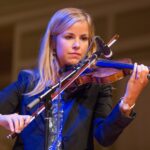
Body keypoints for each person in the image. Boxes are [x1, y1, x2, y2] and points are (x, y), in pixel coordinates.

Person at [0, 7, 149, 150]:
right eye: (69, 37)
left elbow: (105, 137)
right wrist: (4, 119)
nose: (77, 45)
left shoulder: (96, 86)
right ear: (53, 42)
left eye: (84, 38)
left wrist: (129, 99)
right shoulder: (29, 82)